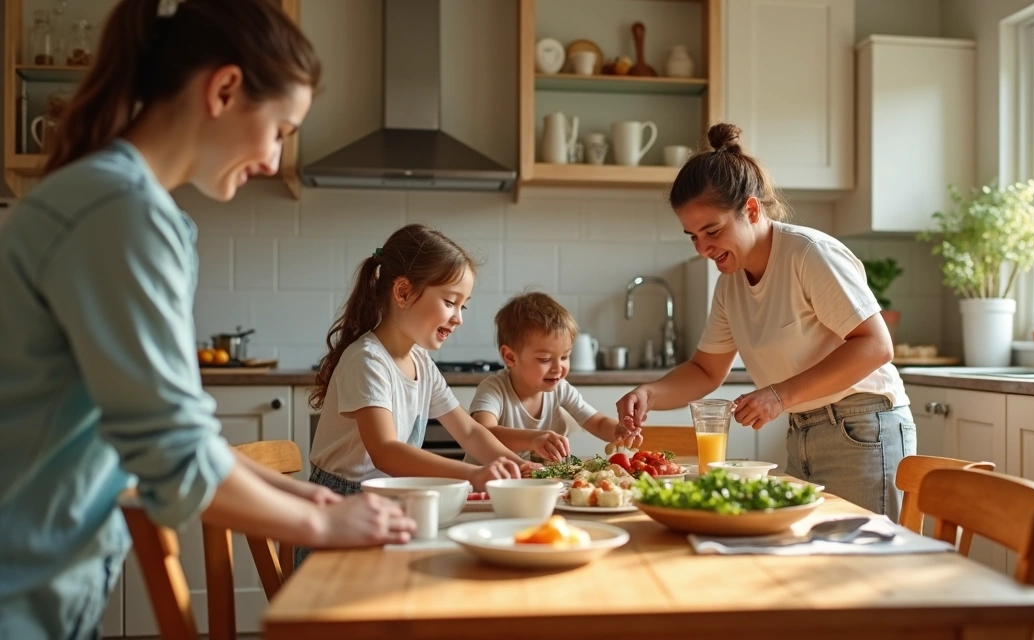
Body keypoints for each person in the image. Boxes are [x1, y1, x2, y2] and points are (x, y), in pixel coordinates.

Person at [0, 1, 414, 637]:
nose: (273, 160)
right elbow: (175, 452)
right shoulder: (121, 211)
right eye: (280, 129)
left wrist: (307, 496)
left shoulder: (113, 200)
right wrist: (321, 523)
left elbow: (178, 432)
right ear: (223, 90)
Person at [615, 123, 915, 519]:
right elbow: (706, 370)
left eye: (712, 230)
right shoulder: (730, 285)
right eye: (693, 236)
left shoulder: (808, 254)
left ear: (752, 210)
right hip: (802, 429)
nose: (703, 248)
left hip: (862, 428)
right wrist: (649, 394)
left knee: (860, 554)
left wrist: (777, 396)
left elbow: (876, 345)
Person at [299, 225, 537, 563]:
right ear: (403, 292)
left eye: (463, 307)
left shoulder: (420, 362)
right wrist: (473, 475)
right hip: (340, 510)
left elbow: (469, 432)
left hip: (389, 503)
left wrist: (518, 466)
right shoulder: (367, 360)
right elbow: (386, 452)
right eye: (450, 302)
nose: (458, 318)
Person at [467, 292, 641, 463]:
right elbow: (483, 433)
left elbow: (597, 422)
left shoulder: (561, 389)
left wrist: (619, 431)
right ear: (510, 357)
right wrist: (533, 439)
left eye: (565, 357)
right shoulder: (494, 389)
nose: (558, 368)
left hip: (530, 478)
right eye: (545, 359)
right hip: (484, 479)